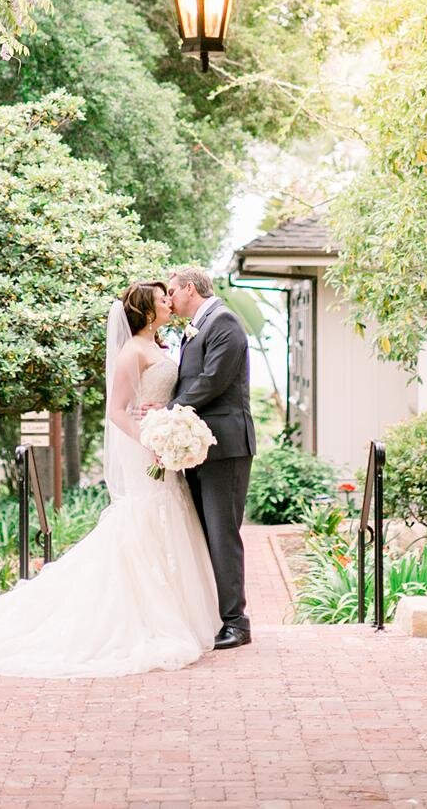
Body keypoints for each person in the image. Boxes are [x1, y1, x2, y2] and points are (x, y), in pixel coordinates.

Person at [0, 281, 220, 677]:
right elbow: (117, 411)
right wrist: (151, 437)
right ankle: (139, 615)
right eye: (162, 300)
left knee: (167, 524)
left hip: (161, 447)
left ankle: (175, 609)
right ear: (145, 310)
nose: (169, 303)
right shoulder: (131, 352)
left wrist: (169, 425)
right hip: (145, 449)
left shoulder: (161, 345)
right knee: (141, 523)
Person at [167, 266, 256, 651]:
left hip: (226, 446)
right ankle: (215, 616)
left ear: (190, 288)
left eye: (172, 290)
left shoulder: (225, 323)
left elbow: (213, 380)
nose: (169, 298)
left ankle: (237, 622)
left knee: (222, 534)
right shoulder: (197, 328)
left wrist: (169, 410)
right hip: (200, 446)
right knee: (204, 533)